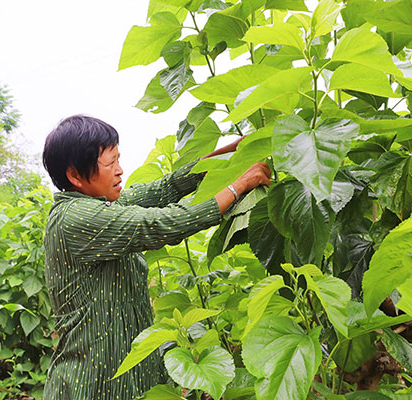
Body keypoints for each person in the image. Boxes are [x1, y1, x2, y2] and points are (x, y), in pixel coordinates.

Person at [41, 114, 271, 400]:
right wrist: (238, 186)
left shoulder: (101, 205)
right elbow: (161, 224)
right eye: (110, 163)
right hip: (91, 382)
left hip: (126, 375)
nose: (120, 170)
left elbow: (166, 188)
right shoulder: (76, 218)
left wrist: (230, 152)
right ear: (75, 175)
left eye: (118, 160)